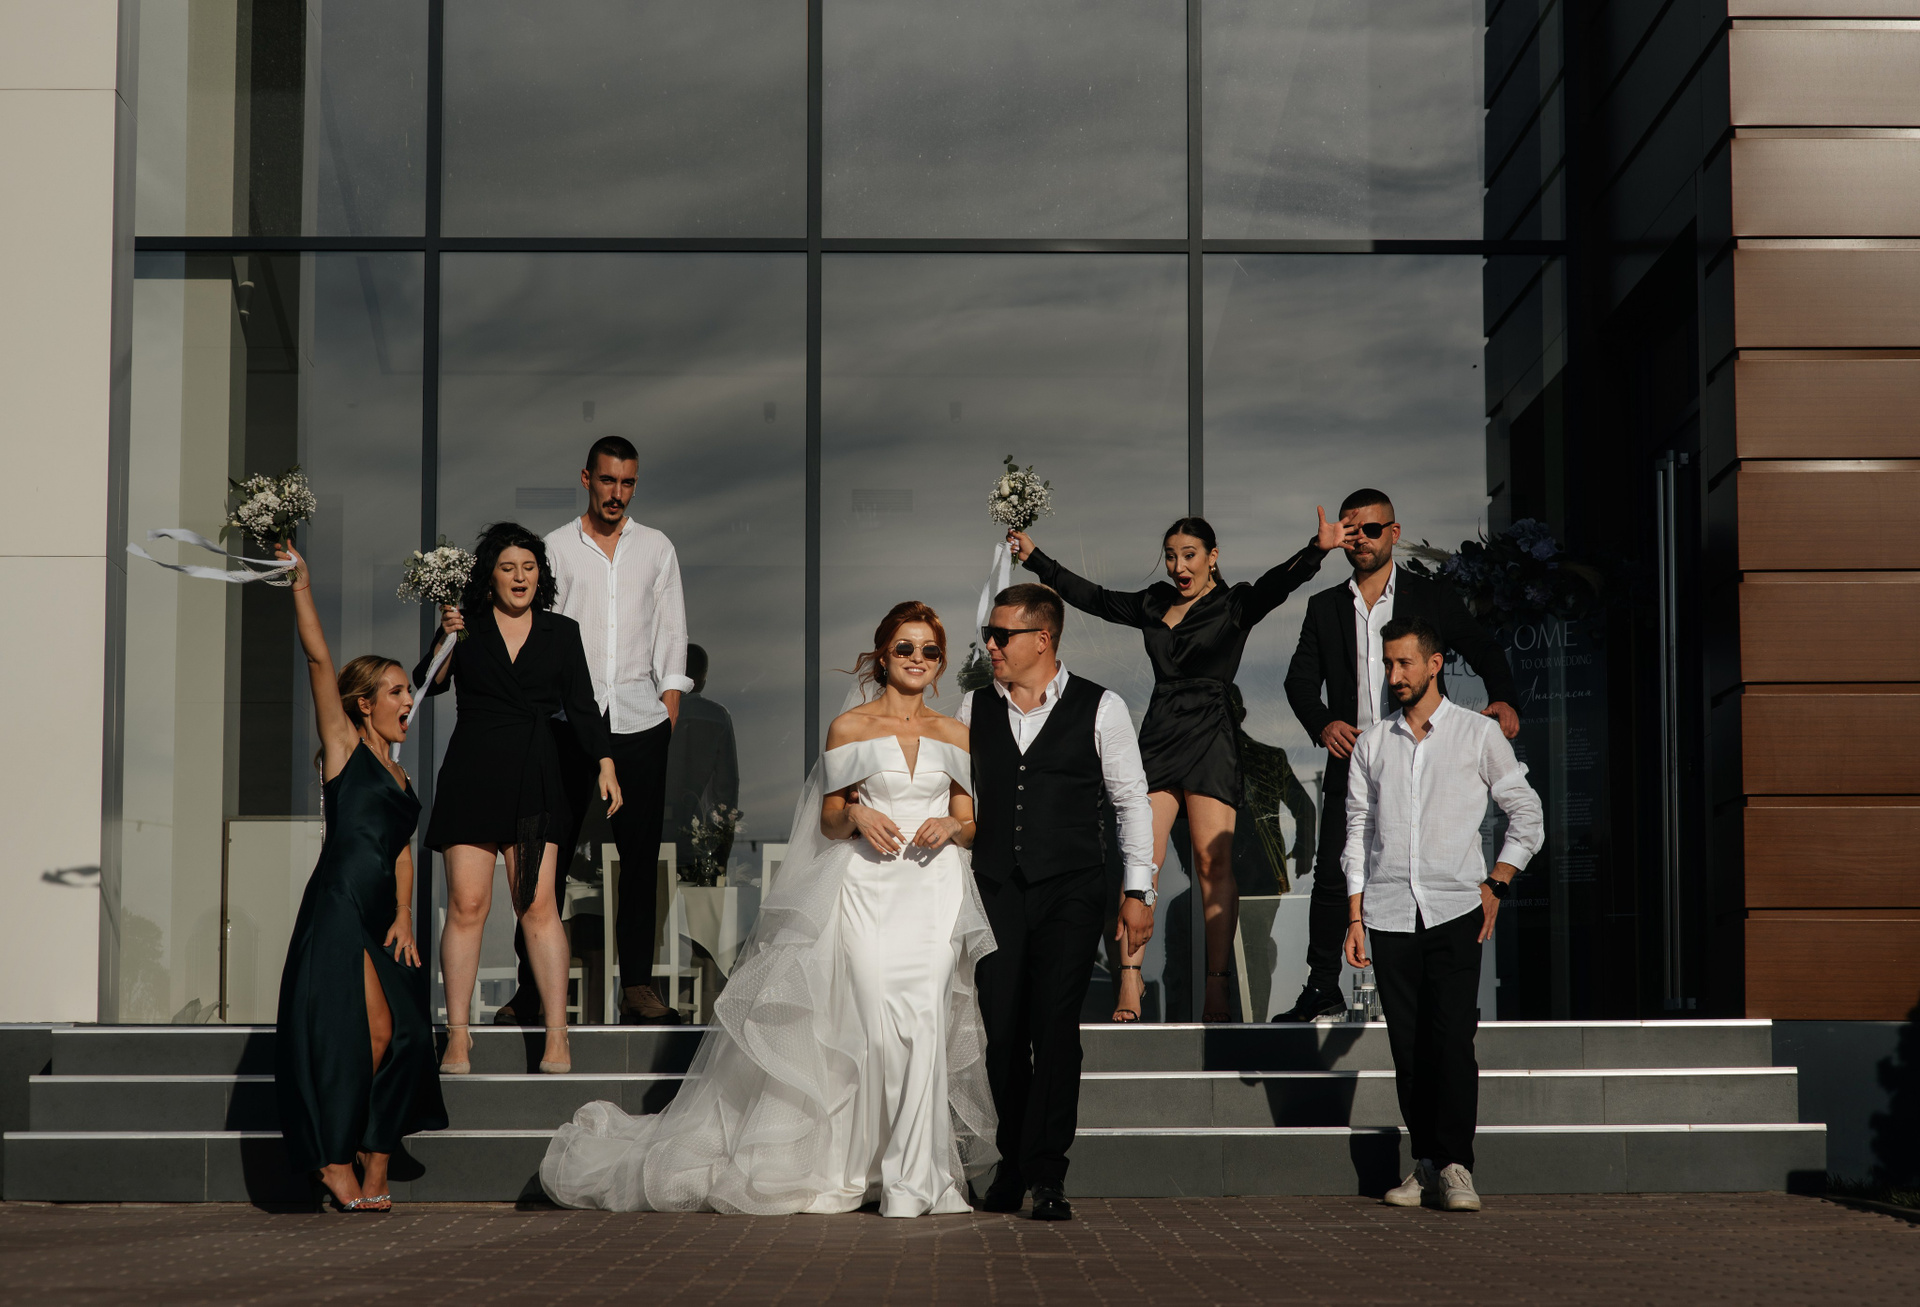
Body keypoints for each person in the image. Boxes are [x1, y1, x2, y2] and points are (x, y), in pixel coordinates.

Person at [541, 603, 995, 1216]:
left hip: (933, 891)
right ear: (882, 655)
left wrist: (954, 825)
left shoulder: (955, 734)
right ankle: (862, 1166)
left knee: (925, 1023)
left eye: (930, 651)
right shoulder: (851, 727)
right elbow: (829, 819)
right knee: (875, 1025)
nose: (918, 659)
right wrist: (856, 813)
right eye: (905, 648)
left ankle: (917, 1178)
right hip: (867, 889)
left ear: (940, 663)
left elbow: (969, 821)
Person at [1008, 510, 1350, 1022]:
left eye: (1189, 555)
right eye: (1170, 557)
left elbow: (1280, 583)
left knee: (1214, 867)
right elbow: (1094, 598)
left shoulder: (1235, 605)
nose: (1178, 566)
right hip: (1161, 736)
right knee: (1141, 858)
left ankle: (1217, 989)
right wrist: (1037, 559)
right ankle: (1130, 979)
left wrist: (1317, 550)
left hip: (1212, 738)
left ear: (1213, 557)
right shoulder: (1152, 603)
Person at [1277, 488, 1521, 1023]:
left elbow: (1481, 646)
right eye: (1350, 530)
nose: (1360, 539)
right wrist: (1323, 723)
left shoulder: (1429, 596)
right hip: (1353, 759)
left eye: (1371, 529)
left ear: (1393, 532)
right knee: (1332, 874)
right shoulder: (1324, 607)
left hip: (1421, 758)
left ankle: (1426, 988)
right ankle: (1322, 987)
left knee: (1424, 869)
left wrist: (1503, 698)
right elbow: (1298, 682)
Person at [961, 583, 1158, 1220]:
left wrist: (1138, 890)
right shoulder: (972, 707)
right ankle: (1012, 1164)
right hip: (996, 889)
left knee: (1053, 1029)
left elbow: (1131, 803)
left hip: (1072, 888)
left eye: (1001, 636)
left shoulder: (1103, 707)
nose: (990, 646)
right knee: (1002, 1034)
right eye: (989, 635)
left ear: (1042, 639)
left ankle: (1047, 1173)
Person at [1343, 617, 1542, 1213]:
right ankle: (1426, 1162)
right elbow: (1358, 831)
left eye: (1404, 663)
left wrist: (1497, 882)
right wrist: (1354, 916)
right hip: (1387, 912)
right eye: (1388, 663)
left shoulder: (1478, 735)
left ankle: (1457, 1165)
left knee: (1452, 1040)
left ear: (1434, 665)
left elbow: (1526, 813)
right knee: (1408, 1048)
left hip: (1456, 909)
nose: (1394, 675)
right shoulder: (1373, 743)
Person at [272, 545, 447, 1212]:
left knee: (407, 1036)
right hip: (341, 902)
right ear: (365, 704)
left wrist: (404, 914)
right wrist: (301, 586)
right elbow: (319, 660)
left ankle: (376, 1160)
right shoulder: (345, 750)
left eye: (408, 690)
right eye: (397, 691)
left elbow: (402, 851)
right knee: (368, 1032)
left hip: (382, 915)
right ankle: (335, 1160)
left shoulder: (400, 773)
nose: (408, 700)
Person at [498, 437, 694, 1028]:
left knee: (640, 861)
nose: (617, 493)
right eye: (608, 480)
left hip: (639, 718)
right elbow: (537, 630)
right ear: (587, 478)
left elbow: (672, 631)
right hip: (568, 722)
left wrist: (669, 707)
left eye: (627, 483)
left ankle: (637, 987)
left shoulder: (657, 548)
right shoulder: (555, 549)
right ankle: (531, 990)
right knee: (545, 856)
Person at [415, 522, 623, 1077]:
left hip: (536, 774)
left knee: (537, 904)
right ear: (491, 576)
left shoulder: (561, 631)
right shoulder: (466, 626)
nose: (520, 576)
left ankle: (557, 1035)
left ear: (540, 575)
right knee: (467, 904)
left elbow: (582, 705)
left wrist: (604, 763)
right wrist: (445, 637)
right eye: (508, 567)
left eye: (528, 567)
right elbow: (429, 683)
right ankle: (458, 1036)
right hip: (473, 772)